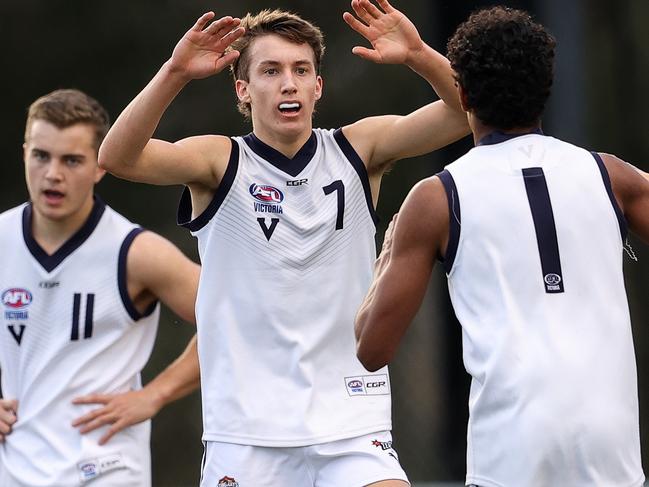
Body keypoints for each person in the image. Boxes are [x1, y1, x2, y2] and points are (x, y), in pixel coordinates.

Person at [97, 0, 468, 485]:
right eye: (270, 70)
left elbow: (466, 113)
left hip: (352, 424)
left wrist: (419, 53)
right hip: (248, 434)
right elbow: (119, 157)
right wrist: (175, 72)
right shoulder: (219, 161)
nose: (287, 82)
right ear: (244, 90)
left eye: (300, 69)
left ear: (318, 87)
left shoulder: (359, 148)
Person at [354, 6, 649, 487]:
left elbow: (371, 348)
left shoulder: (435, 198)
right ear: (546, 87)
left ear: (463, 94)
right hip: (610, 449)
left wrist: (388, 253)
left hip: (509, 455)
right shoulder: (612, 175)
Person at [0, 89, 202, 487]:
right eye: (41, 156)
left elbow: (234, 322)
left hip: (106, 470)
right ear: (25, 153)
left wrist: (156, 394)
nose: (53, 174)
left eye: (71, 160)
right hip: (17, 469)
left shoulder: (136, 252)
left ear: (99, 167)